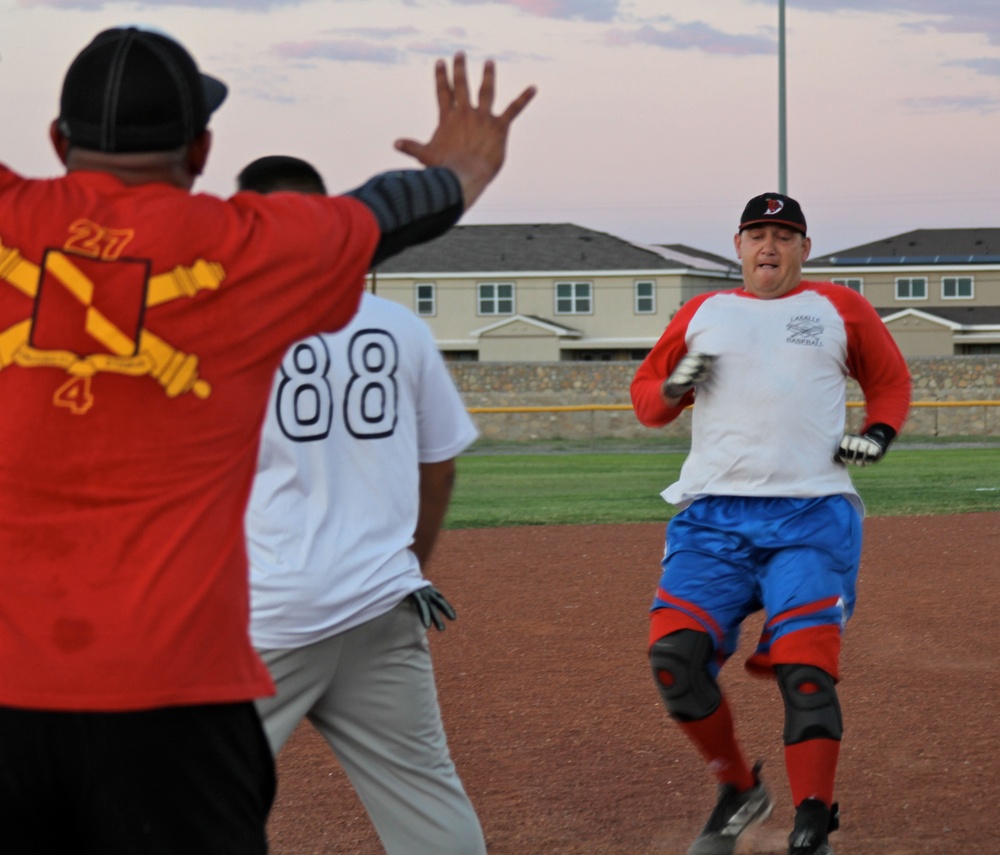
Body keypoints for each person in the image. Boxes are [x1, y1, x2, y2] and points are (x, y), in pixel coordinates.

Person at [0, 25, 533, 855]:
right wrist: (460, 168)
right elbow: (381, 213)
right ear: (202, 147)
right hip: (179, 695)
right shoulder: (246, 251)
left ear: (57, 141)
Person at [630, 193, 911, 855]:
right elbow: (649, 401)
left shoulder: (839, 307)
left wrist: (876, 433)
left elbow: (891, 381)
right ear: (737, 245)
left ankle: (813, 821)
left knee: (805, 670)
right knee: (675, 660)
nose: (770, 246)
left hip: (812, 514)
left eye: (784, 235)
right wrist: (675, 386)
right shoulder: (705, 312)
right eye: (758, 233)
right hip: (712, 518)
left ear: (804, 249)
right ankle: (737, 789)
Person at [238, 154, 485, 855]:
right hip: (382, 600)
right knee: (426, 798)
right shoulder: (396, 325)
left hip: (269, 616)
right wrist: (403, 563)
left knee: (186, 797)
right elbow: (438, 468)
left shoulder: (227, 328)